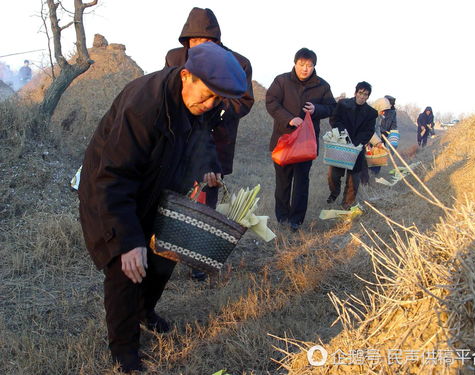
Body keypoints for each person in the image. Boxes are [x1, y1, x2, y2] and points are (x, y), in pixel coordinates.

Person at [78, 42, 247, 373]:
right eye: (208, 94)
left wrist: (208, 164)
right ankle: (125, 350)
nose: (210, 103)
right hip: (111, 188)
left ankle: (145, 311)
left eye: (218, 99)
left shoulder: (199, 102)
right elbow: (113, 177)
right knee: (126, 267)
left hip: (160, 185)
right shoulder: (144, 107)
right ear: (186, 75)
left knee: (164, 253)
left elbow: (202, 137)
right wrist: (127, 241)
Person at [165, 7, 254, 280]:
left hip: (217, 138)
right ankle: (169, 251)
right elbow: (169, 92)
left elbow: (243, 101)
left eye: (205, 41)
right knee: (175, 194)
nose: (198, 47)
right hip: (181, 137)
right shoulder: (175, 58)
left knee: (206, 200)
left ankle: (198, 260)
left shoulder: (238, 62)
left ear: (216, 41)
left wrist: (213, 106)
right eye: (193, 41)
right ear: (185, 41)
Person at [266, 48, 336, 231]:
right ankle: (282, 218)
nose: (305, 69)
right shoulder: (281, 81)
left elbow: (331, 107)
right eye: (302, 64)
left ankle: (296, 221)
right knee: (283, 181)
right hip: (284, 140)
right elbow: (271, 102)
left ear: (314, 66)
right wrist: (289, 118)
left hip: (306, 144)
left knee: (301, 182)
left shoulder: (322, 86)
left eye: (309, 65)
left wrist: (317, 109)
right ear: (295, 63)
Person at [327, 81, 378, 209]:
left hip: (357, 148)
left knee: (353, 179)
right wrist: (343, 134)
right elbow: (334, 119)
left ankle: (346, 205)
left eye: (365, 94)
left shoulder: (371, 113)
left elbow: (369, 131)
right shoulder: (343, 104)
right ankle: (334, 192)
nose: (362, 96)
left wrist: (356, 143)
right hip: (341, 143)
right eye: (360, 93)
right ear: (355, 93)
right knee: (333, 175)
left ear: (368, 97)